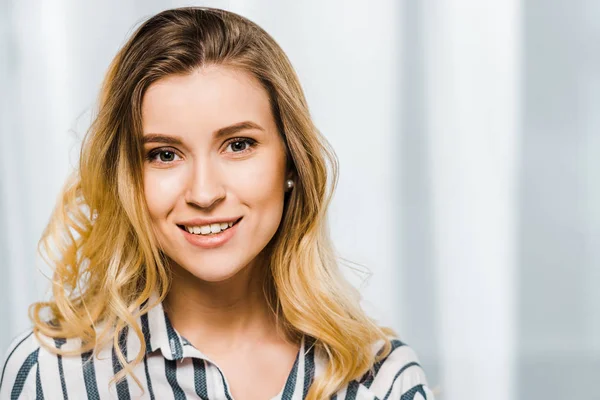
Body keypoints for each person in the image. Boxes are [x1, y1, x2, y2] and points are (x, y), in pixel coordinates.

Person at [0, 7, 433, 400]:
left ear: (291, 163)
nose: (204, 194)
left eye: (238, 145)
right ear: (128, 177)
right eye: (164, 154)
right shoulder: (49, 375)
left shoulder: (381, 380)